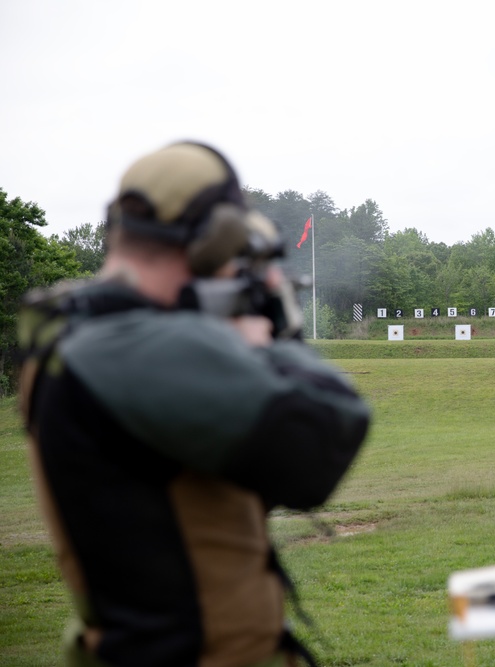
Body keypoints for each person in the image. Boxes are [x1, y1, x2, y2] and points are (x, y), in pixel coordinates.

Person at [18, 141, 371, 667]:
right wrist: (274, 340)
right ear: (214, 242)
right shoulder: (141, 349)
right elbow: (325, 438)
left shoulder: (73, 332)